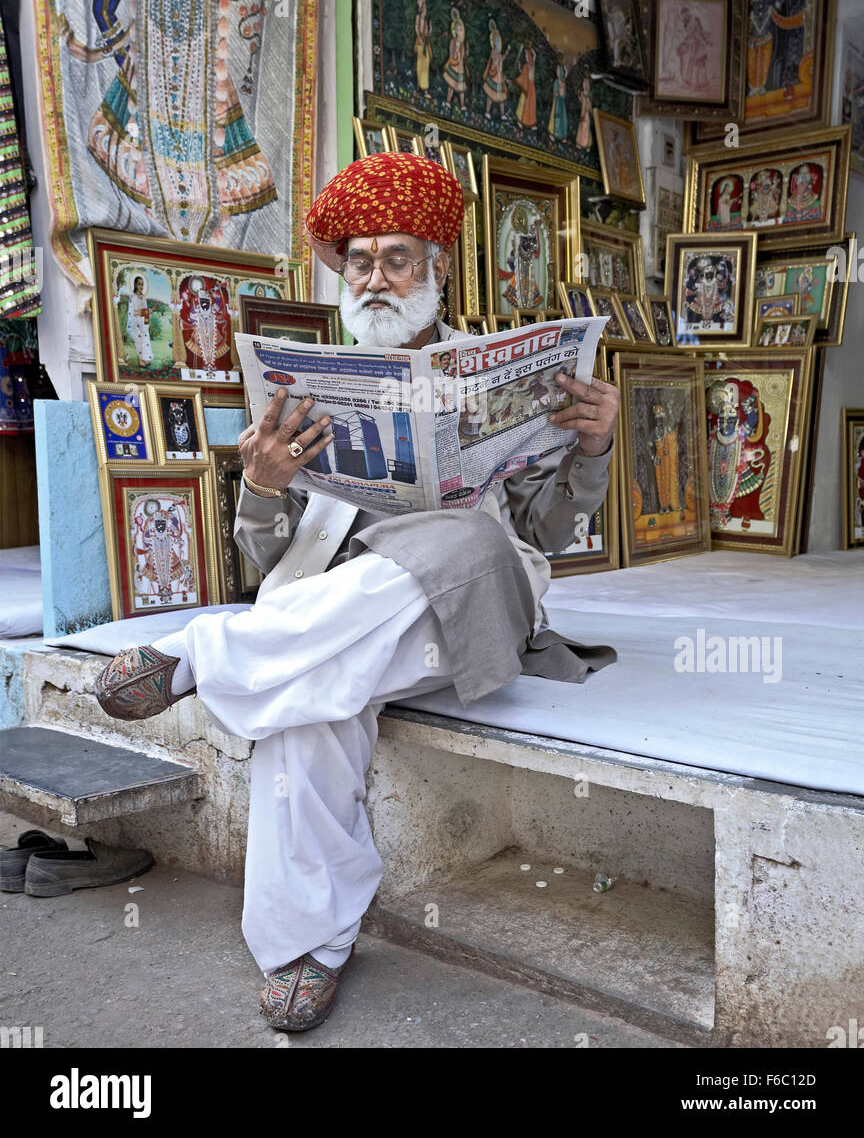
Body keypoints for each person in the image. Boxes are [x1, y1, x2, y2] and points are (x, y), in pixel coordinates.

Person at [95, 152, 620, 1034]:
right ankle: (308, 946)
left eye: (397, 257)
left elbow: (544, 533)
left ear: (438, 268)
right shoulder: (309, 391)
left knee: (461, 539)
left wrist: (594, 450)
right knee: (313, 697)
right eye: (360, 260)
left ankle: (201, 653)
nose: (375, 277)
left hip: (470, 606)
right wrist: (260, 486)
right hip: (342, 617)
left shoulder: (504, 375)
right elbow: (268, 565)